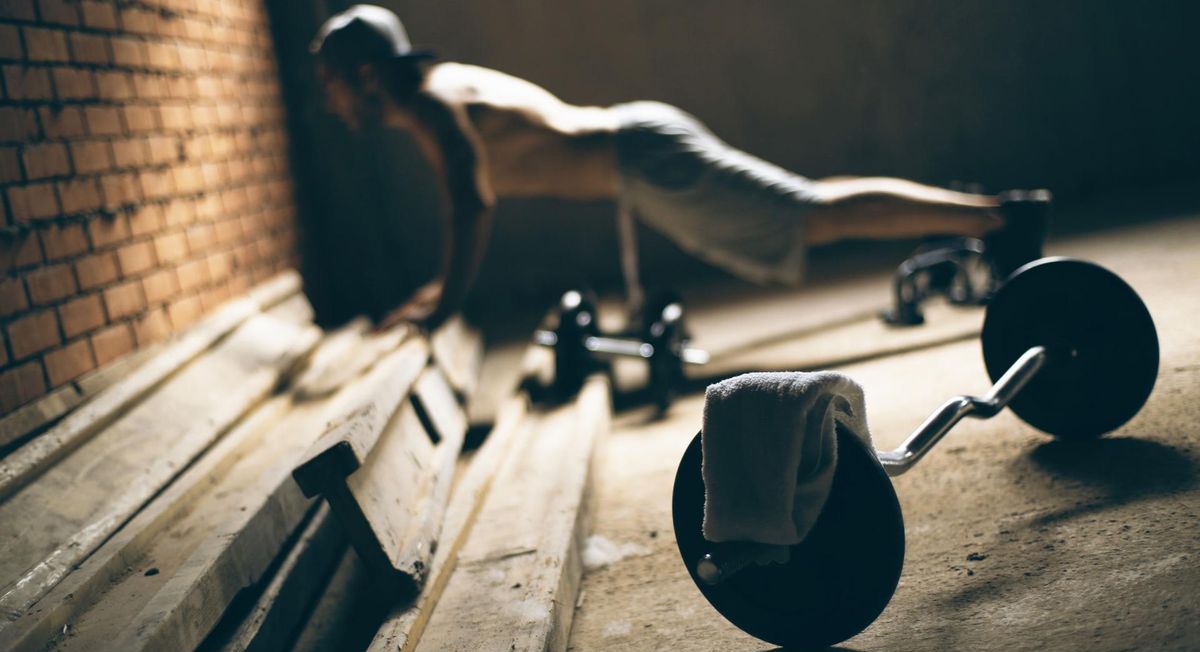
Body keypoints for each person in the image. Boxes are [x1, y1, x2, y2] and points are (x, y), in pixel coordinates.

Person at [310, 5, 1049, 330]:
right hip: (640, 157)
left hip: (645, 158)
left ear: (366, 74)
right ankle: (990, 214)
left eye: (334, 84)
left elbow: (472, 204)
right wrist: (439, 290)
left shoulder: (434, 104)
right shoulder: (434, 97)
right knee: (812, 210)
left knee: (812, 212)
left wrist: (443, 307)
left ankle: (999, 216)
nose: (333, 101)